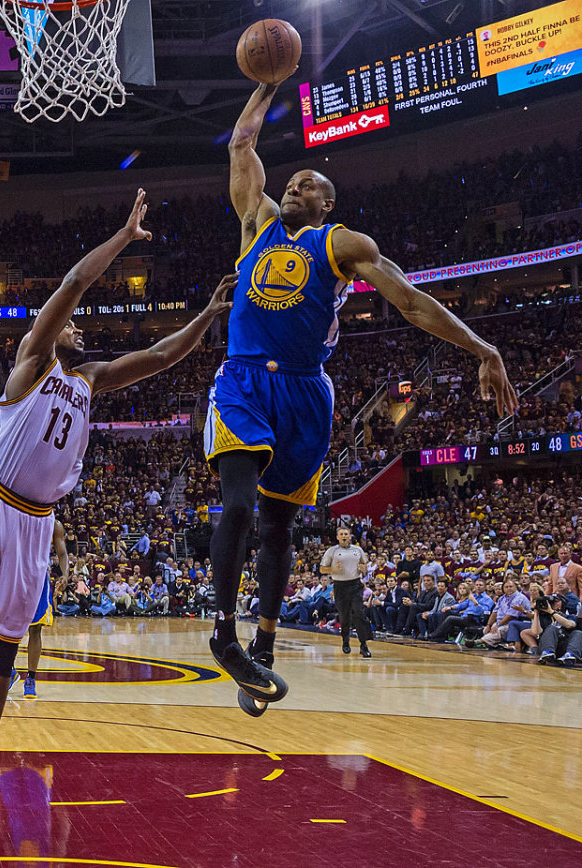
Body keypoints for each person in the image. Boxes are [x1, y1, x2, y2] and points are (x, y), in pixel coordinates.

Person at [0, 190, 233, 832]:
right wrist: (122, 236)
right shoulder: (32, 364)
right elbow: (76, 280)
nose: (81, 330)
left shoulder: (93, 382)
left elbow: (165, 356)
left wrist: (209, 315)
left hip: (36, 522)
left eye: (83, 329)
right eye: (74, 326)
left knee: (3, 644)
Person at [205, 79, 518, 710]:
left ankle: (263, 645)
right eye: (289, 182)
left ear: (327, 203)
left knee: (279, 524)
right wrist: (266, 88)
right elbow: (241, 145)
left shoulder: (343, 245)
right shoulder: (254, 224)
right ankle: (223, 633)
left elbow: (408, 301)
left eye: (308, 184)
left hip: (305, 392)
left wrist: (484, 349)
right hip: (242, 379)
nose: (294, 187)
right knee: (236, 506)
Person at [16, 519, 68, 699]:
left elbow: (62, 553)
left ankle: (30, 678)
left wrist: (65, 575)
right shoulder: (18, 515)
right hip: (15, 575)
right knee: (9, 628)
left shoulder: (55, 524)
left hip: (39, 579)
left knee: (35, 628)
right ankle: (7, 670)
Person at [321, 527, 372, 657]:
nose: (344, 536)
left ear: (350, 536)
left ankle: (363, 645)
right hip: (340, 586)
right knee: (344, 616)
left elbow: (364, 567)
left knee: (359, 613)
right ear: (337, 537)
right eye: (341, 534)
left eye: (346, 534)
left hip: (355, 584)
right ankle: (345, 641)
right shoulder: (332, 551)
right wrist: (333, 569)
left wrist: (363, 569)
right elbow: (322, 569)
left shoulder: (358, 549)